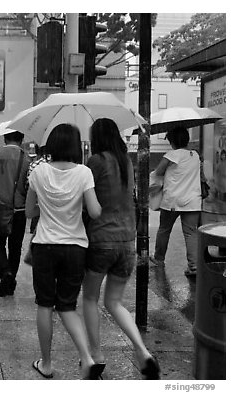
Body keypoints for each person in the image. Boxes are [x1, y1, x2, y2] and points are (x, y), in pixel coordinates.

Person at [82, 118, 161, 380]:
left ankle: (96, 355)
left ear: (98, 138)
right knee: (115, 302)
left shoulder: (96, 162)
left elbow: (86, 197)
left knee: (91, 299)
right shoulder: (126, 161)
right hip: (127, 242)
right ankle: (142, 352)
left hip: (102, 240)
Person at [26, 124, 103, 379]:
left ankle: (46, 364)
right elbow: (94, 212)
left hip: (45, 245)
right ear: (75, 146)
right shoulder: (84, 173)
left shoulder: (38, 171)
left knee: (45, 305)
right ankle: (86, 357)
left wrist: (48, 206)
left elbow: (29, 212)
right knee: (67, 306)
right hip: (75, 247)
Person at [150, 126, 202, 278]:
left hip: (172, 201)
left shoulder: (172, 155)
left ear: (173, 141)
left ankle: (159, 259)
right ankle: (194, 267)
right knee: (191, 234)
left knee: (164, 230)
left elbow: (158, 172)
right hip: (192, 201)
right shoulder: (195, 155)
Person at [0, 131, 30, 297]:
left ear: (5, 138)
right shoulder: (26, 158)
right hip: (20, 209)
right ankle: (11, 277)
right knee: (15, 246)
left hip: (0, 207)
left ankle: (5, 272)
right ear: (22, 139)